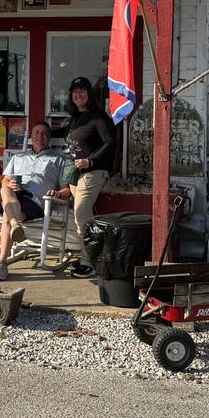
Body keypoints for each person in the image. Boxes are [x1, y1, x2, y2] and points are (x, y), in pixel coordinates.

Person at [0, 121, 69, 281]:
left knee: (8, 215)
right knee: (5, 189)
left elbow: (67, 191)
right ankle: (15, 225)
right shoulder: (18, 157)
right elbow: (4, 180)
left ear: (49, 138)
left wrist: (57, 193)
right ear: (31, 136)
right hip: (13, 196)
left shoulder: (59, 160)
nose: (40, 135)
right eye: (37, 132)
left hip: (35, 202)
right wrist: (9, 183)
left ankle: (1, 263)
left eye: (44, 133)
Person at [64, 77, 116, 272]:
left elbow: (110, 142)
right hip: (75, 173)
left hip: (93, 172)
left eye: (82, 91)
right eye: (75, 91)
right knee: (84, 217)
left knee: (81, 214)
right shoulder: (76, 117)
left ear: (89, 94)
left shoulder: (98, 116)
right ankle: (93, 256)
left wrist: (90, 161)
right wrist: (41, 129)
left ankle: (90, 262)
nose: (78, 94)